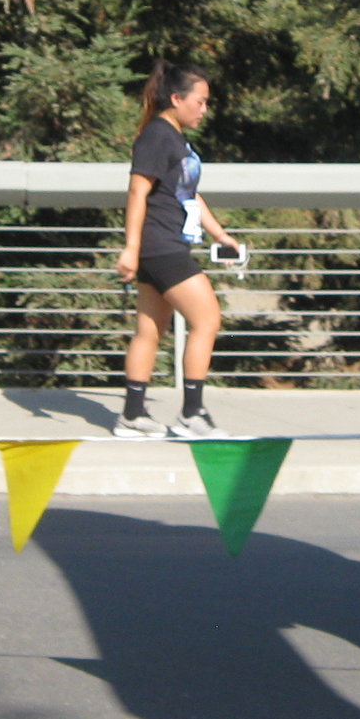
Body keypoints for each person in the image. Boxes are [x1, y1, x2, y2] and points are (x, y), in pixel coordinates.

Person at [115, 62, 242, 439]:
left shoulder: (175, 139)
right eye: (200, 102)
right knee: (207, 320)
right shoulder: (157, 135)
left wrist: (221, 235)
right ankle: (192, 413)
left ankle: (132, 416)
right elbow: (138, 191)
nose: (204, 109)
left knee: (149, 331)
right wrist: (131, 248)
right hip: (161, 245)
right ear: (176, 99)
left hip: (162, 245)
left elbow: (186, 192)